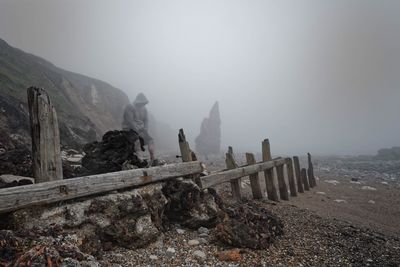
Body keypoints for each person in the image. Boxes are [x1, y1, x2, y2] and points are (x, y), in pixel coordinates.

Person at [122, 93, 155, 163]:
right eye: (141, 103)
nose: (143, 104)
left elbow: (146, 120)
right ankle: (140, 160)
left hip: (141, 129)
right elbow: (130, 121)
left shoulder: (144, 109)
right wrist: (137, 130)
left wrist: (145, 128)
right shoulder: (130, 107)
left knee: (150, 140)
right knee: (137, 142)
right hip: (129, 129)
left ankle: (152, 158)